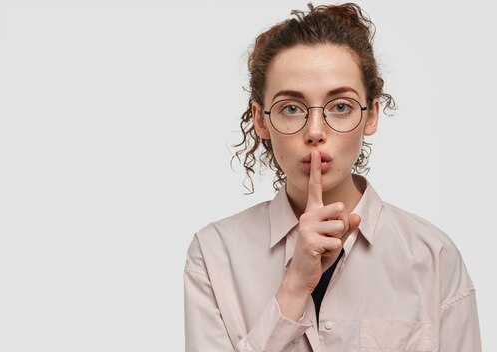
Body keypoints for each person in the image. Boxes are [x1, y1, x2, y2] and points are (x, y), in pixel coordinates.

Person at [183, 2, 481, 351]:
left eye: (340, 106)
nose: (315, 131)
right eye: (290, 108)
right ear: (261, 120)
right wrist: (293, 287)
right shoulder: (215, 254)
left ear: (371, 115)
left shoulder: (433, 257)